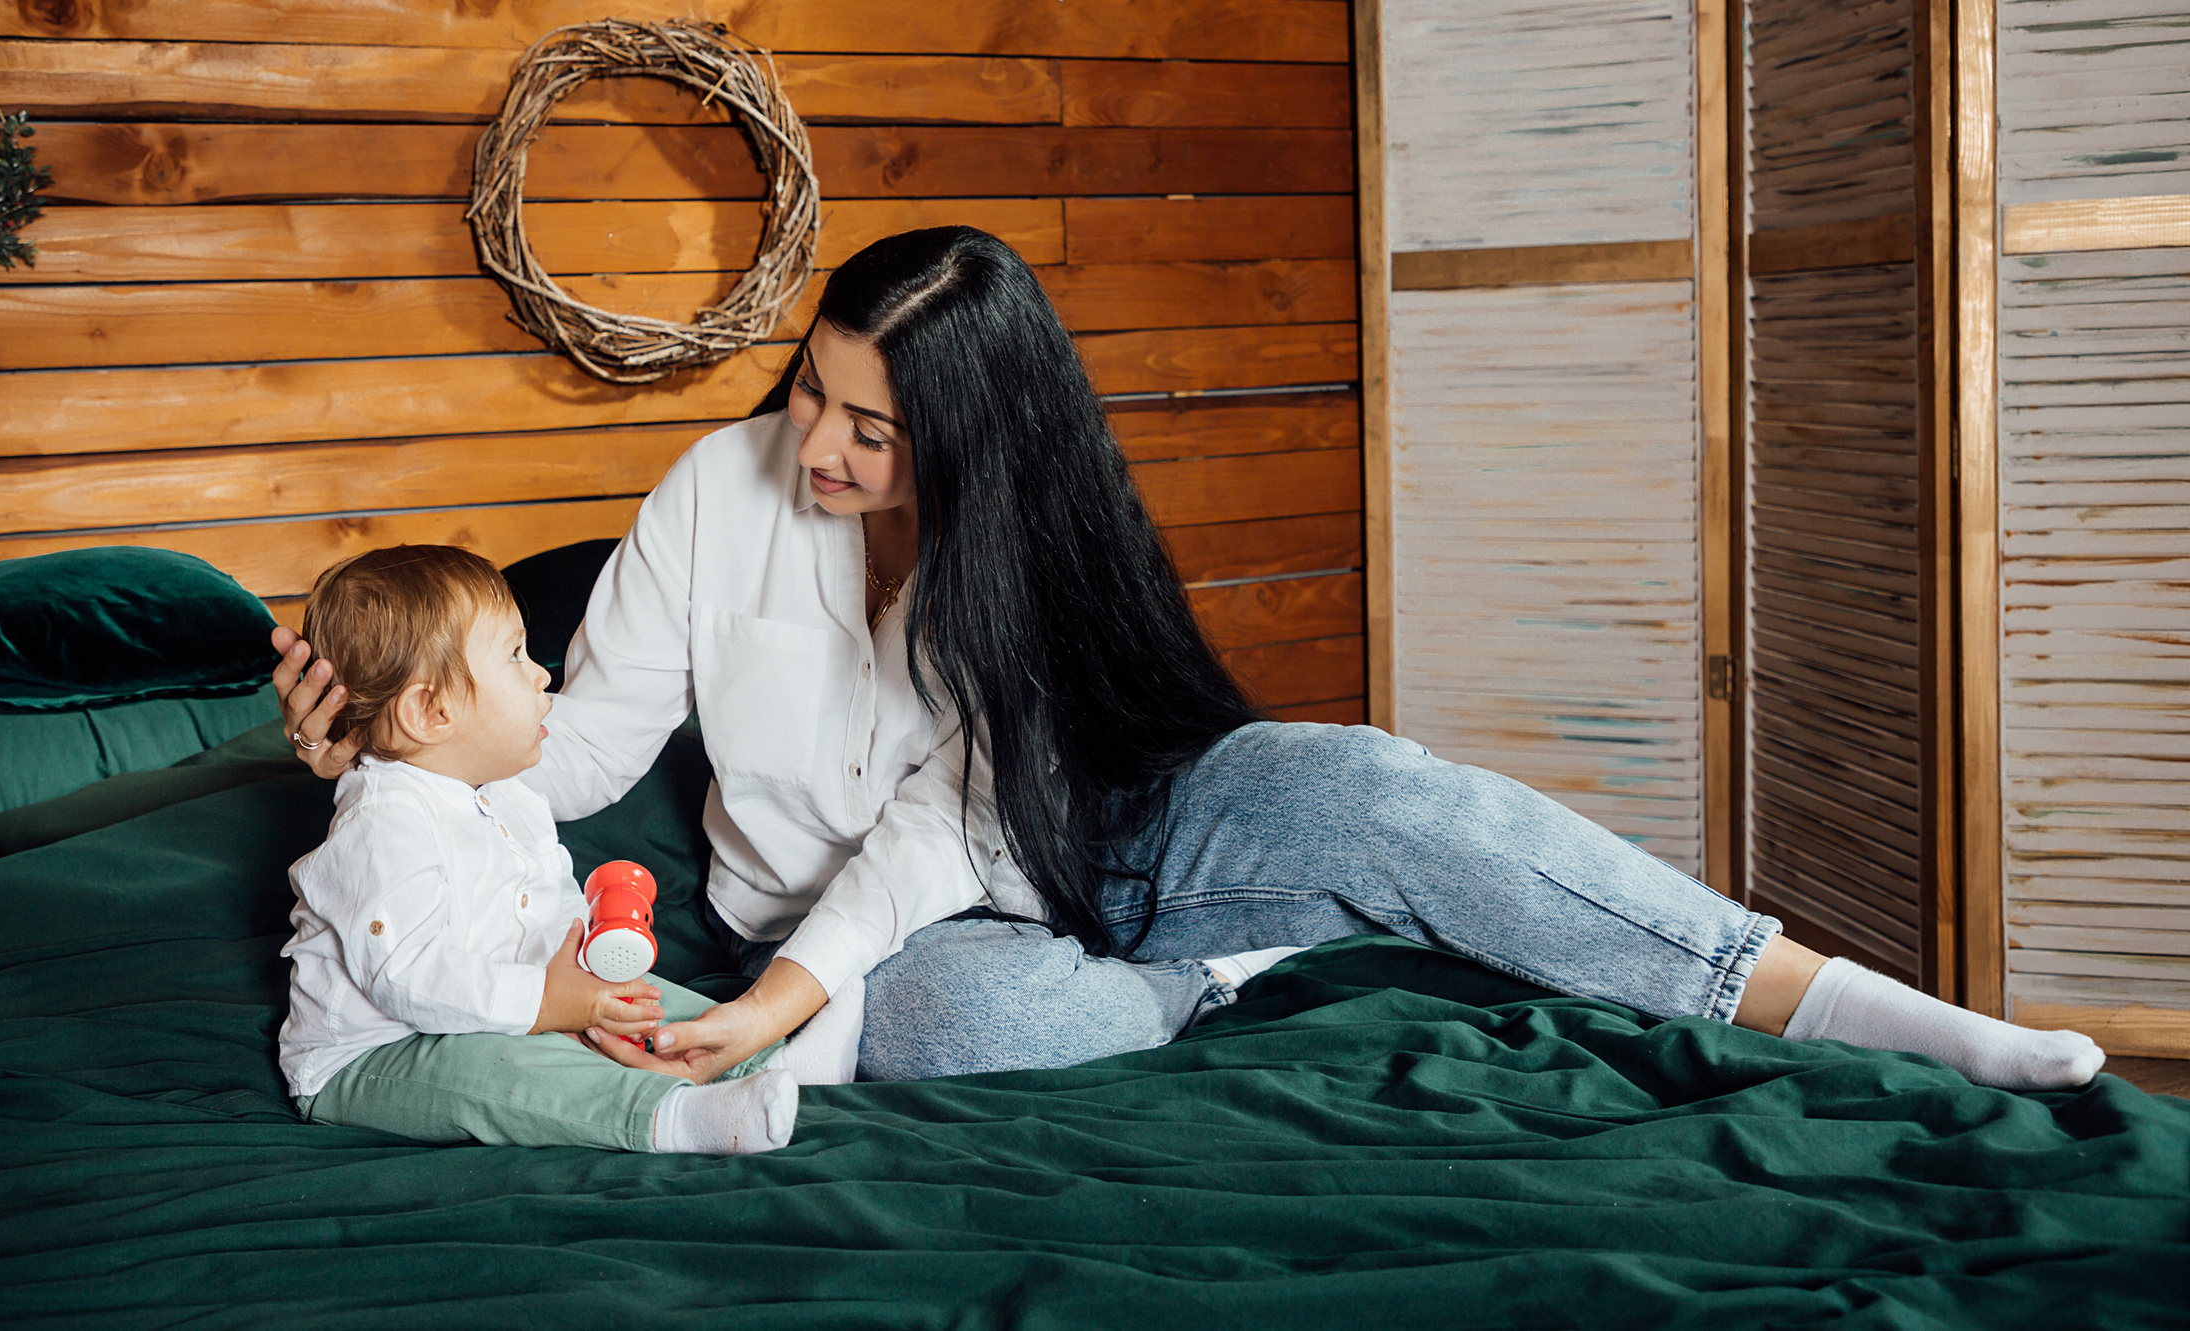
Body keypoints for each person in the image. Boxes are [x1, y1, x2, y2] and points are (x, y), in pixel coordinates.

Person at [273, 228, 2104, 1096]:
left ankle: (1886, 1015)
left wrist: (778, 1008)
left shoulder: (1025, 546)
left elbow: (962, 807)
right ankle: (1207, 974)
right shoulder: (714, 490)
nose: (816, 449)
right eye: (812, 394)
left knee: (1385, 791)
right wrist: (390, 751)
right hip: (890, 929)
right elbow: (587, 746)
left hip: (1114, 825)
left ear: (972, 440)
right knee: (953, 1027)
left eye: (870, 431)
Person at [277, 543, 815, 1156]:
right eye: (515, 656)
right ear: (430, 710)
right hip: (378, 1053)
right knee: (501, 1074)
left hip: (514, 1002)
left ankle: (781, 1060)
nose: (541, 675)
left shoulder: (508, 790)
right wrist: (547, 1005)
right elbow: (408, 978)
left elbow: (552, 903)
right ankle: (676, 1119)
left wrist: (590, 979)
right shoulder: (383, 825)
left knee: (645, 1002)